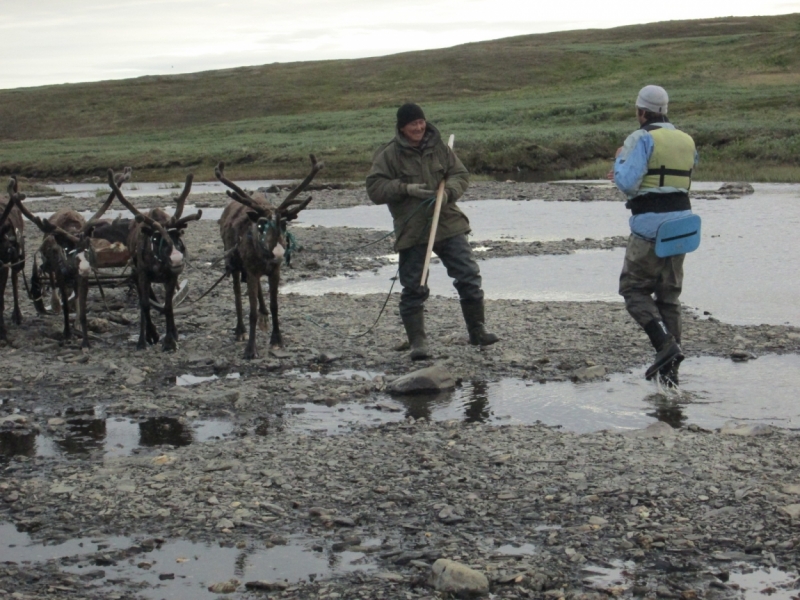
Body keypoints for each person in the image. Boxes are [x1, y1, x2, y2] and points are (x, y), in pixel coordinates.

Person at [366, 102, 498, 360]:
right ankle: (418, 344)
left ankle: (477, 331)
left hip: (448, 222)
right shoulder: (389, 155)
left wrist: (449, 192)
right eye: (413, 124)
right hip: (413, 229)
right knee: (414, 287)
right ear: (402, 127)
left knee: (469, 275)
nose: (419, 127)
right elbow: (374, 189)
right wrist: (404, 189)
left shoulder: (440, 148)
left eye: (421, 122)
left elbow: (460, 174)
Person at [610, 85, 698, 387]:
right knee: (669, 296)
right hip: (683, 225)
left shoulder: (640, 138)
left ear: (642, 112)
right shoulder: (686, 139)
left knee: (633, 291)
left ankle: (664, 345)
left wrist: (620, 160)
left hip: (650, 226)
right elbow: (686, 171)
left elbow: (627, 182)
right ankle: (671, 372)